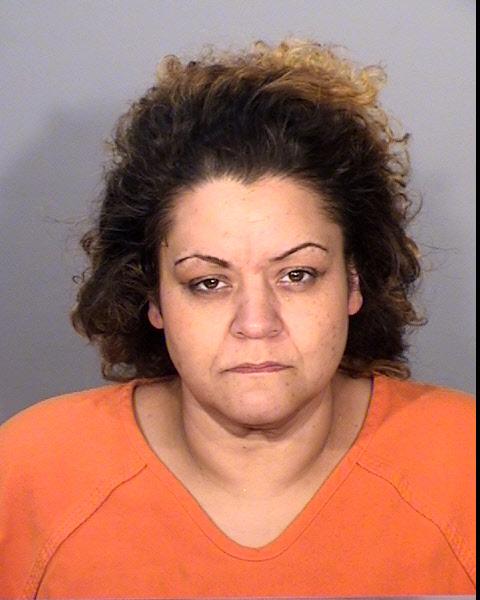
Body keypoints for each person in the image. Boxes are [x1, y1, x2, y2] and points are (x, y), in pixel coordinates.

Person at [0, 39, 475, 597]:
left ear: (353, 281)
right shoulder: (30, 471)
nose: (256, 323)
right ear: (153, 298)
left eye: (296, 274)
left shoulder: (464, 464)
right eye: (208, 282)